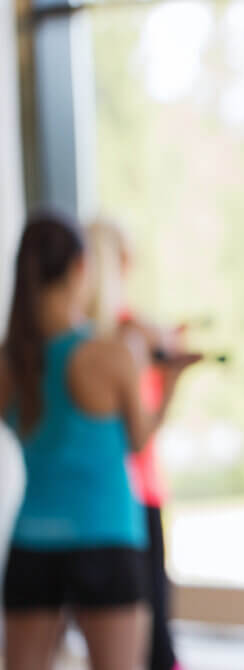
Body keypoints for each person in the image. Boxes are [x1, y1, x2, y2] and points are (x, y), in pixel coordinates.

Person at [0, 210, 197, 670]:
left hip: (33, 541)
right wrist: (169, 383)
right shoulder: (109, 355)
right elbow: (137, 441)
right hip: (107, 538)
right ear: (79, 269)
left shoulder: (9, 364)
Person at [85, 218, 185, 670]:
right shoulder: (126, 338)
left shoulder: (80, 342)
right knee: (153, 637)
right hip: (133, 499)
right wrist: (171, 379)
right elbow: (138, 433)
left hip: (96, 505)